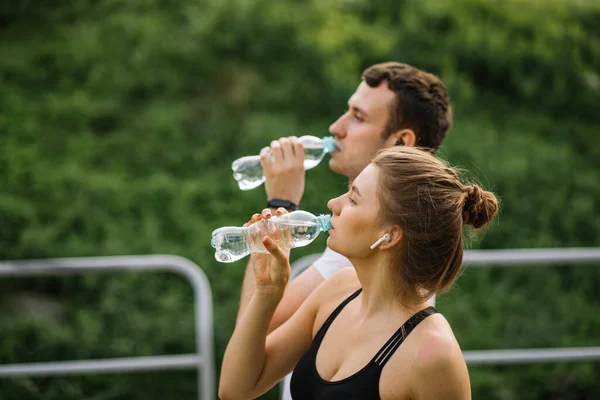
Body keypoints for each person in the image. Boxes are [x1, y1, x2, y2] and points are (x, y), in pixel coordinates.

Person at [220, 146, 499, 399]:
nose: (333, 203)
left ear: (388, 236)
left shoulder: (433, 353)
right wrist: (267, 293)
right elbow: (236, 389)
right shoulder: (337, 292)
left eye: (353, 199)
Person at [236, 62, 453, 334]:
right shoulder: (400, 233)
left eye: (358, 117)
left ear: (400, 141)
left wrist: (281, 203)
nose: (336, 127)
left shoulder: (366, 249)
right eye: (347, 111)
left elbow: (250, 336)